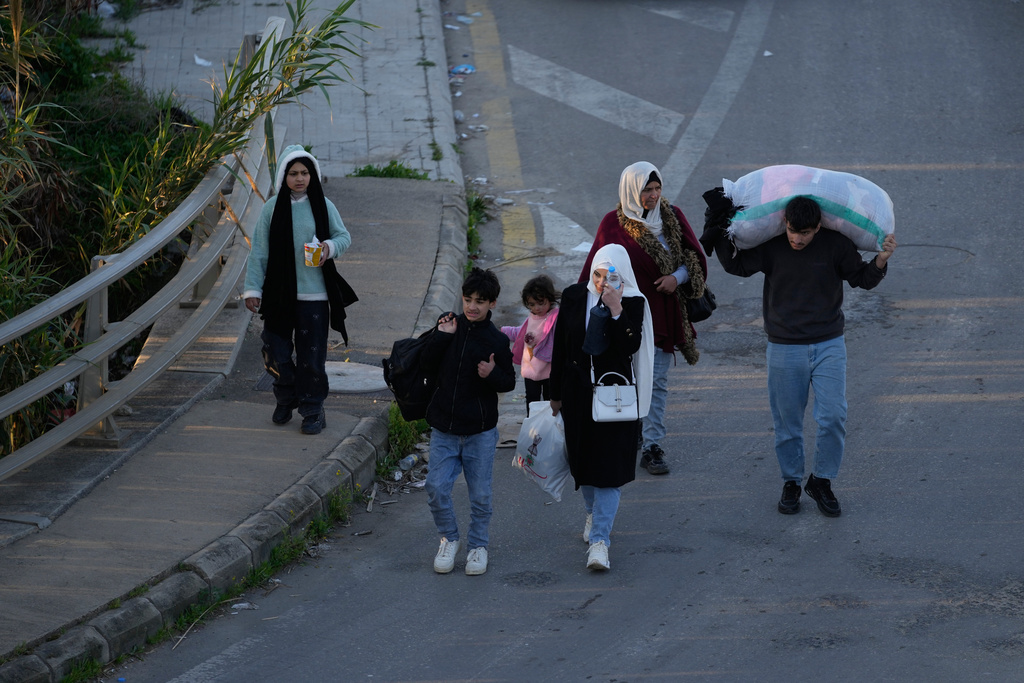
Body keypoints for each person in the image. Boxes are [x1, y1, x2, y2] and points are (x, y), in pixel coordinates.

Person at [706, 195, 897, 517]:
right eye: (793, 231)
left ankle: (821, 480)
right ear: (785, 224)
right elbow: (737, 266)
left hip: (829, 344)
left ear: (818, 227)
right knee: (788, 424)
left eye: (805, 233)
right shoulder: (774, 245)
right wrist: (718, 227)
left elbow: (861, 280)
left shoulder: (836, 245)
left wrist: (881, 260)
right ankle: (791, 481)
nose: (798, 239)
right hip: (783, 347)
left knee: (833, 416)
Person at [580, 161, 708, 475]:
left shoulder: (672, 217)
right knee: (626, 375)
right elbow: (595, 268)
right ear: (631, 191)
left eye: (656, 188)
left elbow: (695, 258)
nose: (653, 196)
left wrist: (676, 278)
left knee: (657, 381)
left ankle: (652, 445)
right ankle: (628, 429)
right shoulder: (613, 223)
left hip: (663, 315)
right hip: (622, 317)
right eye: (646, 190)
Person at [550, 244, 654, 571]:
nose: (601, 283)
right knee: (583, 464)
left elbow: (630, 345)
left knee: (608, 469)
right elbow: (561, 348)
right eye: (597, 275)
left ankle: (600, 542)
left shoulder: (634, 301)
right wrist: (554, 394)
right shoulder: (573, 296)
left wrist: (616, 309)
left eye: (609, 277)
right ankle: (593, 514)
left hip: (615, 398)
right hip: (578, 394)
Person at [243, 144, 352, 435]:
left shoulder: (323, 206)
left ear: (312, 175)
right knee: (275, 350)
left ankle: (313, 409)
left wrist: (328, 248)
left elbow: (344, 237)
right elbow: (259, 253)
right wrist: (253, 288)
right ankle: (286, 395)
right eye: (293, 173)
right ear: (284, 177)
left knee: (311, 357)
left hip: (315, 297)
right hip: (279, 295)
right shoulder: (271, 209)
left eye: (305, 173)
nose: (300, 179)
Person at [421, 267, 516, 576]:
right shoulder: (449, 327)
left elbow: (508, 382)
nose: (472, 306)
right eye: (468, 299)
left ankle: (478, 546)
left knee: (481, 494)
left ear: (493, 304)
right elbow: (427, 363)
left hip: (480, 432)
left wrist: (492, 375)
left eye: (480, 301)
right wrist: (440, 336)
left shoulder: (497, 341)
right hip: (445, 428)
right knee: (436, 487)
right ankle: (449, 539)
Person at [501, 275, 560, 415]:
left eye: (541, 303)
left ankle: (550, 427)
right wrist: (502, 331)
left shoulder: (555, 317)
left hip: (548, 370)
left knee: (549, 402)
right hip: (530, 370)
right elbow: (520, 333)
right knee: (532, 402)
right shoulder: (532, 317)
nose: (537, 308)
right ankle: (533, 426)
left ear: (550, 299)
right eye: (532, 305)